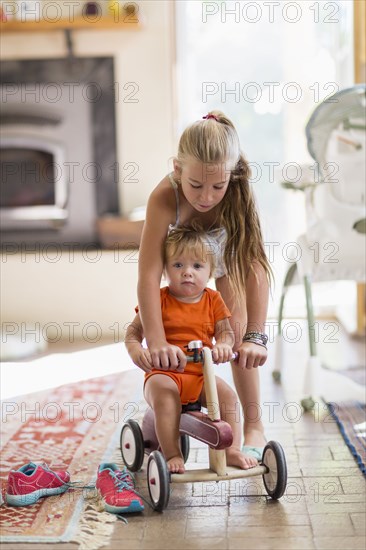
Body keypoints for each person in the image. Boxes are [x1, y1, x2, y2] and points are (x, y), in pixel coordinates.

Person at [136, 111, 271, 460]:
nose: (207, 197)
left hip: (227, 252)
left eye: (217, 186)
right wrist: (158, 341)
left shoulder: (238, 192)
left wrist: (255, 336)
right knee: (178, 325)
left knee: (236, 331)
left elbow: (254, 266)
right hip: (184, 258)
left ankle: (253, 424)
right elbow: (149, 275)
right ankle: (173, 409)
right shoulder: (164, 197)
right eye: (195, 185)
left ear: (232, 174)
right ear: (177, 169)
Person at [126, 225, 258, 473]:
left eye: (197, 266)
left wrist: (224, 345)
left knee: (228, 397)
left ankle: (231, 451)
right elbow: (133, 334)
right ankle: (172, 454)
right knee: (166, 399)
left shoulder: (213, 299)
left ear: (210, 272)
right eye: (178, 265)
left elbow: (226, 333)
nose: (187, 272)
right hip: (163, 375)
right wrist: (137, 352)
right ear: (165, 269)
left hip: (199, 375)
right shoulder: (159, 299)